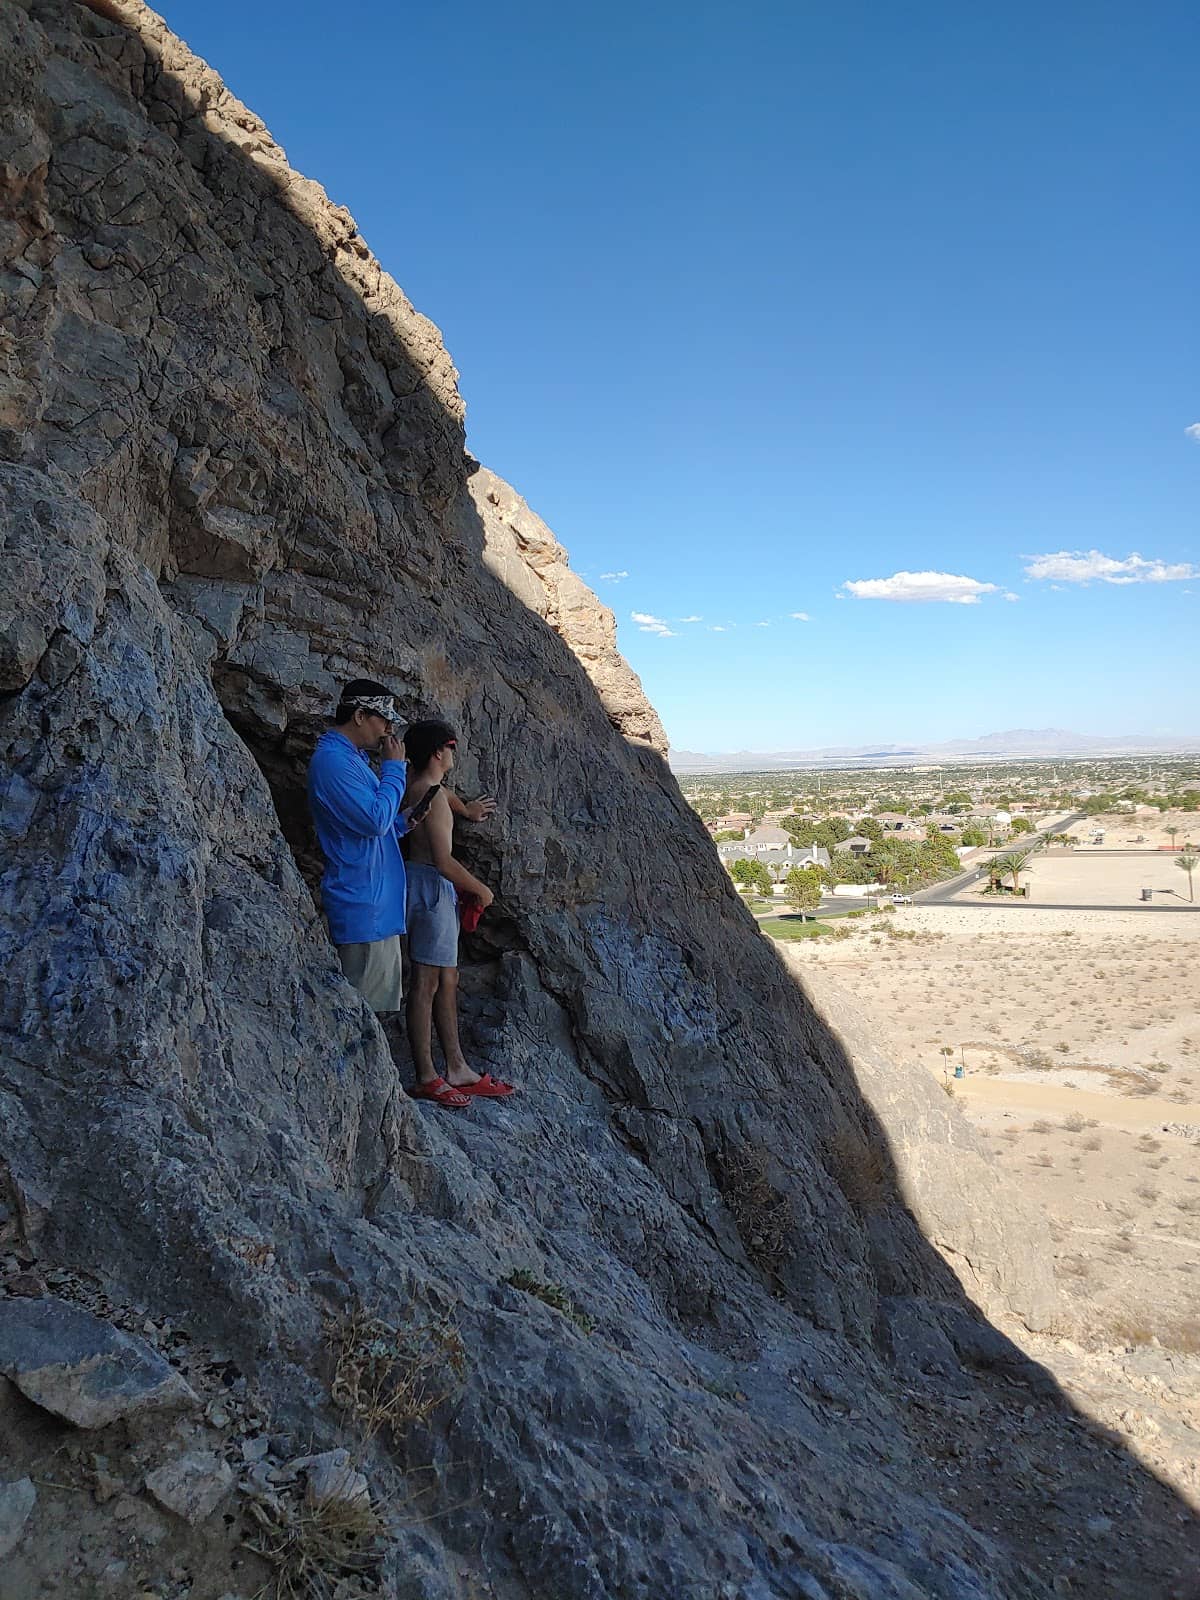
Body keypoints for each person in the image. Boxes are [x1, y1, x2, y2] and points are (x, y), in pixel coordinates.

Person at [402, 719, 515, 1108]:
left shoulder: (421, 787)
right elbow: (443, 860)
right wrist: (480, 890)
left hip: (425, 886)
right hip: (432, 887)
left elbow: (441, 795)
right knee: (426, 983)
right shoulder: (430, 797)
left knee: (446, 978)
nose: (454, 754)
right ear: (439, 752)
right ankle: (427, 1076)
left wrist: (465, 809)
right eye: (451, 747)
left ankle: (457, 1068)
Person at [307, 680, 413, 1016]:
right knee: (358, 1020)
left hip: (376, 909)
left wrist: (403, 823)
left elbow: (368, 827)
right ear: (359, 716)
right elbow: (374, 821)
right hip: (363, 909)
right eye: (384, 720)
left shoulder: (351, 760)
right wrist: (394, 769)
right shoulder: (333, 762)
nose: (388, 731)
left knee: (371, 1020)